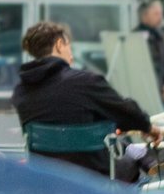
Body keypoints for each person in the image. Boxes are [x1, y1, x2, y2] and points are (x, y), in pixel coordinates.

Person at [12, 20, 155, 179]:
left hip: (45, 179)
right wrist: (148, 127)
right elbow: (127, 113)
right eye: (69, 46)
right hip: (93, 178)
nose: (71, 55)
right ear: (59, 44)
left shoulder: (21, 92)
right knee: (133, 161)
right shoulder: (86, 82)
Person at [137, 0, 164, 105]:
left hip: (162, 91)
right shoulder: (135, 38)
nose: (160, 17)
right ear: (144, 16)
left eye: (161, 14)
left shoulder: (160, 35)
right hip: (145, 93)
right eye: (156, 14)